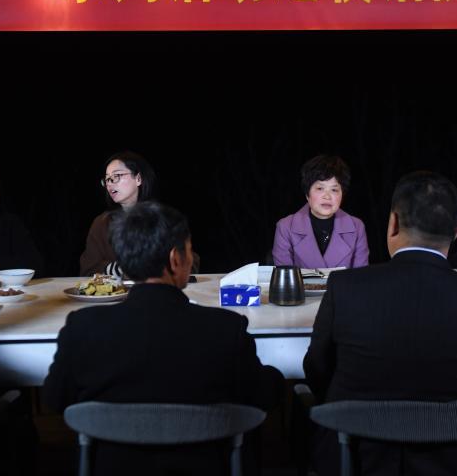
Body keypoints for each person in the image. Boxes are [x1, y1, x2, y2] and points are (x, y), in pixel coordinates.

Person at [304, 171, 457, 476]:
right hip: (456, 460)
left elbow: (318, 369)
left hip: (355, 456)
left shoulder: (345, 287)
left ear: (393, 223)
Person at [44, 201, 283, 475]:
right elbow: (264, 395)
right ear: (175, 259)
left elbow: (55, 398)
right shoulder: (226, 329)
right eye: (189, 250)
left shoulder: (83, 328)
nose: (191, 259)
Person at [79, 151, 199, 277]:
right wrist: (122, 269)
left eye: (116, 176)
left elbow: (191, 263)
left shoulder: (163, 218)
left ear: (138, 178)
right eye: (107, 179)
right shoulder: (101, 223)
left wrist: (148, 266)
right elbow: (88, 269)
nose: (110, 183)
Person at [272, 154, 369, 269]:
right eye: (320, 188)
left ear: (342, 194)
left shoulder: (357, 227)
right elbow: (285, 277)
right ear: (307, 194)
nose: (327, 196)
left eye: (334, 190)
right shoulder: (285, 227)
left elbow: (361, 276)